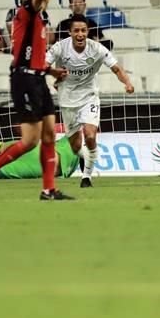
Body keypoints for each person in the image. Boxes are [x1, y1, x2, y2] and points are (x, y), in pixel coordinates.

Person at [0, 0, 72, 201]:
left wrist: (51, 72)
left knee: (49, 135)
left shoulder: (39, 20)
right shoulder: (26, 12)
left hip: (38, 79)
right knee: (30, 140)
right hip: (24, 81)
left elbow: (32, 56)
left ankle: (48, 190)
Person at [46, 14, 135, 188]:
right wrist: (54, 72)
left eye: (83, 30)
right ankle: (87, 157)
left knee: (90, 135)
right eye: (76, 31)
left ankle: (86, 177)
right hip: (67, 100)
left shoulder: (97, 49)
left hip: (89, 97)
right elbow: (42, 65)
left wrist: (127, 83)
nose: (80, 34)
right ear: (70, 32)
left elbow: (116, 68)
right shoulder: (59, 48)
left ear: (88, 31)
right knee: (75, 146)